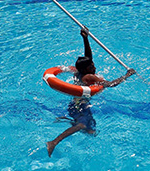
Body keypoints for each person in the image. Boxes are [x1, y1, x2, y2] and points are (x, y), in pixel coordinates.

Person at [46, 27, 136, 156]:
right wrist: (127, 75)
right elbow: (110, 84)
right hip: (81, 105)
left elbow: (88, 57)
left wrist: (85, 38)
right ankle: (54, 142)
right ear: (87, 68)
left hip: (75, 104)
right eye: (92, 66)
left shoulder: (79, 72)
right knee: (83, 126)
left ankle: (66, 120)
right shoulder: (89, 77)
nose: (94, 66)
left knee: (91, 132)